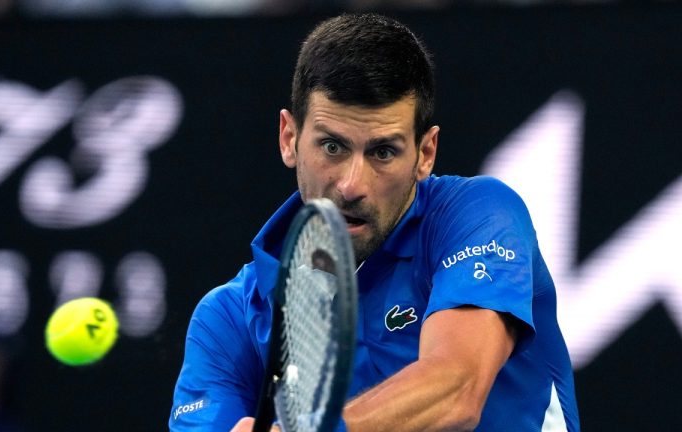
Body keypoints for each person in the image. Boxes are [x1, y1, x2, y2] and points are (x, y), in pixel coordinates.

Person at [170, 13, 580, 431]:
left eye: (383, 152)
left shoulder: (478, 215)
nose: (352, 185)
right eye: (332, 146)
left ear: (425, 153)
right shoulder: (227, 320)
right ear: (289, 138)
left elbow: (456, 389)